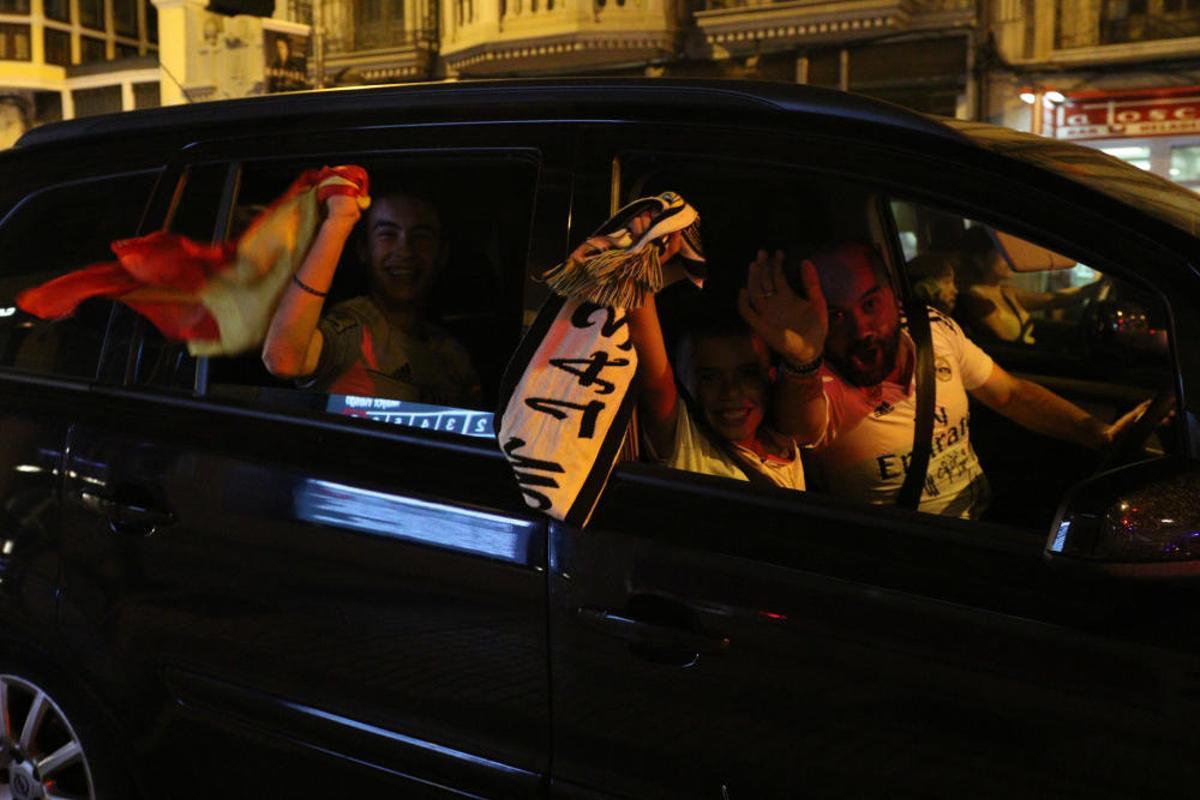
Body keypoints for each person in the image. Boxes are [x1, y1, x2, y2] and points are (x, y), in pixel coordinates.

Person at [738, 241, 1146, 519]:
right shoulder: (819, 381)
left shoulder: (932, 332)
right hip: (922, 559)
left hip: (987, 517)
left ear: (894, 296)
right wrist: (803, 360)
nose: (861, 329)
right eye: (837, 315)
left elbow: (1009, 394)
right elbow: (798, 427)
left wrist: (1098, 433)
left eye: (870, 304)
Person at [574, 210, 807, 489]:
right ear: (684, 379)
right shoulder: (683, 441)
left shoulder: (783, 437)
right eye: (709, 377)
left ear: (770, 376)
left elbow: (803, 386)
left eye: (747, 374)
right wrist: (640, 262)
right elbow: (656, 380)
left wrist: (803, 357)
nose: (731, 392)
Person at [261, 187, 482, 408]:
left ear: (441, 254)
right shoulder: (352, 330)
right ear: (363, 250)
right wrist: (337, 223)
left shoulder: (453, 356)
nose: (405, 251)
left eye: (421, 237)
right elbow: (283, 359)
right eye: (387, 235)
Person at [955, 226, 1101, 344]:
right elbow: (1008, 347)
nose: (1010, 258)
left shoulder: (1005, 292)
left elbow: (1052, 299)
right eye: (1002, 253)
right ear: (980, 260)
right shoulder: (976, 300)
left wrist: (1095, 287)